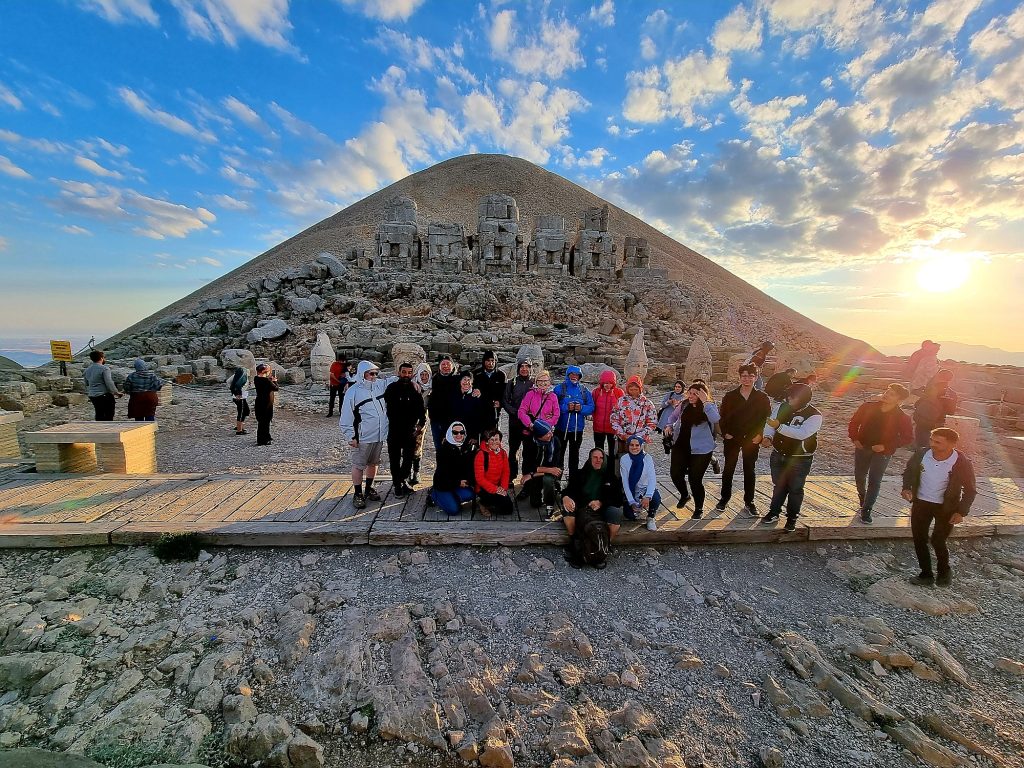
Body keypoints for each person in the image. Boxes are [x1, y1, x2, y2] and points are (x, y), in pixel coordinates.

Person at [902, 427, 976, 586]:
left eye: (938, 442)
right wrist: (906, 487)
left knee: (938, 540)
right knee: (919, 539)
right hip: (921, 503)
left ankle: (944, 572)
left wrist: (961, 512)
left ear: (952, 444)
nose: (932, 444)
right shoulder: (922, 454)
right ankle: (926, 575)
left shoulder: (961, 462)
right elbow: (909, 471)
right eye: (931, 440)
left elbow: (970, 490)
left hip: (946, 507)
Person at [848, 383, 913, 524]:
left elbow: (908, 438)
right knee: (859, 476)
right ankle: (862, 497)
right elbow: (854, 423)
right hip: (862, 447)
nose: (886, 395)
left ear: (899, 399)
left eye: (892, 394)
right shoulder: (867, 407)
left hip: (884, 452)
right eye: (887, 391)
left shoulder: (903, 417)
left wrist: (885, 446)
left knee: (875, 480)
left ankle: (867, 509)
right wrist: (855, 438)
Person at [761, 383, 821, 532]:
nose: (789, 399)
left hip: (799, 458)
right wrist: (768, 436)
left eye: (793, 397)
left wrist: (779, 427)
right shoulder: (781, 407)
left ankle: (792, 518)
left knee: (795, 488)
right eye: (788, 396)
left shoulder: (815, 415)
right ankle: (774, 512)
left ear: (803, 399)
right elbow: (770, 423)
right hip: (779, 454)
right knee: (779, 485)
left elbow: (802, 434)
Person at [716, 364, 771, 516]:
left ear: (756, 377)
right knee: (729, 468)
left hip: (752, 438)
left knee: (749, 469)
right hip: (733, 437)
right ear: (740, 377)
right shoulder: (730, 396)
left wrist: (760, 435)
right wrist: (725, 433)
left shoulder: (762, 397)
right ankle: (724, 498)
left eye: (750, 376)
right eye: (744, 376)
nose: (747, 379)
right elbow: (723, 416)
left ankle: (749, 501)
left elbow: (766, 418)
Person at [339, 361, 395, 509]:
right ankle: (358, 493)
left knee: (373, 463)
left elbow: (393, 380)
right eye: (371, 373)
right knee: (359, 465)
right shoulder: (353, 392)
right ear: (362, 374)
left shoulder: (379, 385)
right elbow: (346, 416)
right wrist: (351, 436)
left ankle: (369, 488)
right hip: (362, 436)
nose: (374, 376)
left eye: (376, 373)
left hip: (379, 434)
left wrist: (413, 381)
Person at [665, 382, 720, 519]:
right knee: (675, 474)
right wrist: (669, 425)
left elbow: (715, 419)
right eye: (690, 393)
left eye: (695, 394)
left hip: (701, 448)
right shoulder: (684, 404)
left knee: (695, 479)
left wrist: (705, 401)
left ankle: (699, 508)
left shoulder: (709, 406)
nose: (691, 396)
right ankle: (685, 495)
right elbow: (673, 417)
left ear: (702, 395)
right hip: (681, 445)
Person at [383, 362, 426, 498]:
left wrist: (420, 425)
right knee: (394, 459)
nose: (406, 375)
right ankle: (398, 485)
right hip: (394, 430)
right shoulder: (391, 388)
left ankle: (401, 480)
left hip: (410, 431)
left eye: (409, 373)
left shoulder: (415, 389)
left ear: (412, 374)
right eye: (404, 372)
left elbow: (421, 410)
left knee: (408, 460)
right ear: (399, 373)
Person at [561, 447, 623, 542]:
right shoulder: (579, 474)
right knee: (567, 508)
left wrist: (601, 502)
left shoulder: (611, 477)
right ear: (590, 459)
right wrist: (565, 497)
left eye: (601, 458)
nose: (598, 460)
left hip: (603, 508)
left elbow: (618, 498)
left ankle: (606, 543)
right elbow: (569, 490)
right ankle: (574, 540)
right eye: (595, 457)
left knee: (616, 512)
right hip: (582, 508)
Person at [517, 369, 560, 495]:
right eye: (540, 381)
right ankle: (527, 485)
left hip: (546, 432)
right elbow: (521, 411)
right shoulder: (530, 394)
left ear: (549, 382)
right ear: (536, 382)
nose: (543, 383)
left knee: (546, 456)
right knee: (528, 457)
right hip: (531, 430)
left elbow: (556, 414)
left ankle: (546, 481)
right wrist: (530, 424)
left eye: (545, 381)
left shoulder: (552, 396)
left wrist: (545, 426)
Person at [554, 365, 595, 482]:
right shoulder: (559, 389)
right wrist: (566, 407)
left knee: (574, 455)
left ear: (580, 376)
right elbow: (552, 405)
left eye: (577, 375)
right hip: (561, 428)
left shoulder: (584, 390)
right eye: (572, 374)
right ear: (568, 375)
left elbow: (591, 407)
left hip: (577, 429)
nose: (574, 376)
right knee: (559, 454)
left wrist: (581, 408)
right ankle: (556, 479)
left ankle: (572, 480)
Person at [431, 421, 476, 515]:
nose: (459, 435)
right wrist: (458, 482)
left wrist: (468, 481)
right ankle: (434, 495)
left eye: (462, 432)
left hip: (457, 484)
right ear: (450, 433)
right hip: (443, 485)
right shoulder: (443, 451)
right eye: (455, 432)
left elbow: (469, 469)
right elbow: (443, 475)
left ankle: (450, 498)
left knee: (470, 494)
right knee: (453, 510)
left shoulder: (467, 447)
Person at [502, 359, 535, 487]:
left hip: (529, 423)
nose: (524, 369)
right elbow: (505, 401)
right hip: (515, 422)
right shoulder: (512, 382)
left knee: (528, 451)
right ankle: (511, 476)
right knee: (513, 450)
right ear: (518, 368)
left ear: (530, 368)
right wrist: (516, 413)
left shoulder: (534, 383)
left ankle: (526, 477)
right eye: (522, 366)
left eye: (527, 367)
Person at [609, 375, 658, 460]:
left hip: (641, 440)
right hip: (623, 440)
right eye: (631, 389)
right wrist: (622, 434)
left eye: (636, 389)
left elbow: (652, 422)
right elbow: (614, 418)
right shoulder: (621, 401)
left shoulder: (647, 403)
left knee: (640, 463)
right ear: (627, 389)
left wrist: (638, 436)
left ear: (640, 389)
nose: (633, 392)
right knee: (622, 462)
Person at [619, 434, 661, 530]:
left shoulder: (647, 458)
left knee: (655, 498)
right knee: (629, 516)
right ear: (628, 446)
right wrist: (631, 501)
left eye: (637, 445)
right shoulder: (624, 459)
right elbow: (625, 482)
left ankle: (650, 517)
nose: (634, 447)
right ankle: (636, 507)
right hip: (632, 489)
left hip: (644, 488)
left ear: (641, 446)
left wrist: (648, 496)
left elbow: (652, 478)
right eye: (631, 445)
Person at [912, 370, 958, 449]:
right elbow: (951, 412)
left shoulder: (930, 389)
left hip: (923, 422)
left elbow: (917, 403)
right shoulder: (953, 394)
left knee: (921, 447)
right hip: (939, 424)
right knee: (934, 447)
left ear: (938, 376)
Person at [474, 428, 513, 517]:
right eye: (491, 439)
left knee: (508, 509)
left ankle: (491, 502)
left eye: (497, 439)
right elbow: (479, 479)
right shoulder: (481, 454)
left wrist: (503, 488)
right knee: (502, 504)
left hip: (497, 485)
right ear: (487, 442)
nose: (494, 442)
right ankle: (483, 503)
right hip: (483, 488)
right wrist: (496, 490)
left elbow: (506, 472)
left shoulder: (502, 453)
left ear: (500, 441)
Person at [428, 355, 460, 453]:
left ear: (453, 366)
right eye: (443, 364)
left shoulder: (458, 379)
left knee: (453, 448)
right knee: (439, 448)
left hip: (453, 420)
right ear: (439, 366)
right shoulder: (433, 379)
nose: (446, 366)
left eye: (448, 364)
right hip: (436, 420)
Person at [591, 369, 624, 463]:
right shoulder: (596, 392)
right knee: (598, 451)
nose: (608, 385)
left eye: (610, 383)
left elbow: (623, 409)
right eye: (605, 383)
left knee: (613, 452)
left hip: (613, 428)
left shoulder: (619, 392)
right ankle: (600, 469)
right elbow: (592, 406)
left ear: (614, 383)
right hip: (598, 427)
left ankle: (611, 470)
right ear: (602, 383)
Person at [473, 350, 506, 439]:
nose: (490, 363)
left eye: (492, 361)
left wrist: (500, 403)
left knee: (492, 436)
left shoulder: (501, 375)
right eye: (488, 361)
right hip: (479, 410)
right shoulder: (476, 374)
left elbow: (504, 393)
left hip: (494, 411)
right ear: (484, 361)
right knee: (479, 437)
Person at [83, 349, 122, 421]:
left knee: (99, 413)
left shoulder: (87, 370)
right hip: (103, 395)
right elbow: (109, 382)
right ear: (101, 358)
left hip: (92, 395)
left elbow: (86, 383)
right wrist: (116, 392)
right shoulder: (104, 368)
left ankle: (99, 427)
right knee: (109, 414)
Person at [411, 363, 432, 485]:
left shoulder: (431, 388)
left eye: (426, 374)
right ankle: (407, 472)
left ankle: (416, 471)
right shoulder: (412, 386)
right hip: (409, 419)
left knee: (418, 446)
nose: (424, 377)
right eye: (422, 374)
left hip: (422, 421)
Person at [451, 371, 482, 447]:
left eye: (469, 380)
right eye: (464, 379)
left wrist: (475, 436)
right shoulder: (454, 395)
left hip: (470, 435)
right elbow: (449, 414)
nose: (466, 382)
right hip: (455, 433)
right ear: (460, 381)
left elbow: (479, 418)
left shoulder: (475, 396)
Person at [253, 363, 279, 446]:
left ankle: (266, 436)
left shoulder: (256, 378)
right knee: (265, 421)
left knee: (262, 421)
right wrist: (274, 381)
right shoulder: (266, 381)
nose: (269, 372)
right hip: (266, 403)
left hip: (260, 401)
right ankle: (262, 440)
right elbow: (276, 388)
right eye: (268, 370)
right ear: (263, 371)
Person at [228, 365, 250, 435]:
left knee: (246, 411)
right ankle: (239, 430)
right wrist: (238, 393)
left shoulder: (237, 375)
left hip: (238, 396)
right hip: (240, 397)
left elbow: (228, 381)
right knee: (242, 412)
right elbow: (238, 385)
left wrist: (233, 390)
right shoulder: (243, 375)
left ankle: (239, 425)